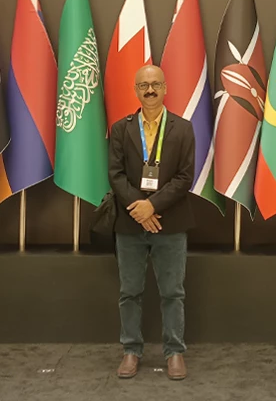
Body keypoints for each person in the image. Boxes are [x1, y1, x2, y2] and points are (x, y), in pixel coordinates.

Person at [108, 64, 195, 381]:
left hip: (170, 222)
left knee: (173, 292)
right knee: (130, 292)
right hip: (130, 223)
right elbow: (115, 174)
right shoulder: (121, 129)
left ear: (165, 88)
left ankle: (174, 352)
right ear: (135, 90)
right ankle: (131, 350)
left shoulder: (183, 128)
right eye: (143, 85)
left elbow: (185, 177)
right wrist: (140, 209)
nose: (150, 90)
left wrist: (152, 206)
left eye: (156, 84)